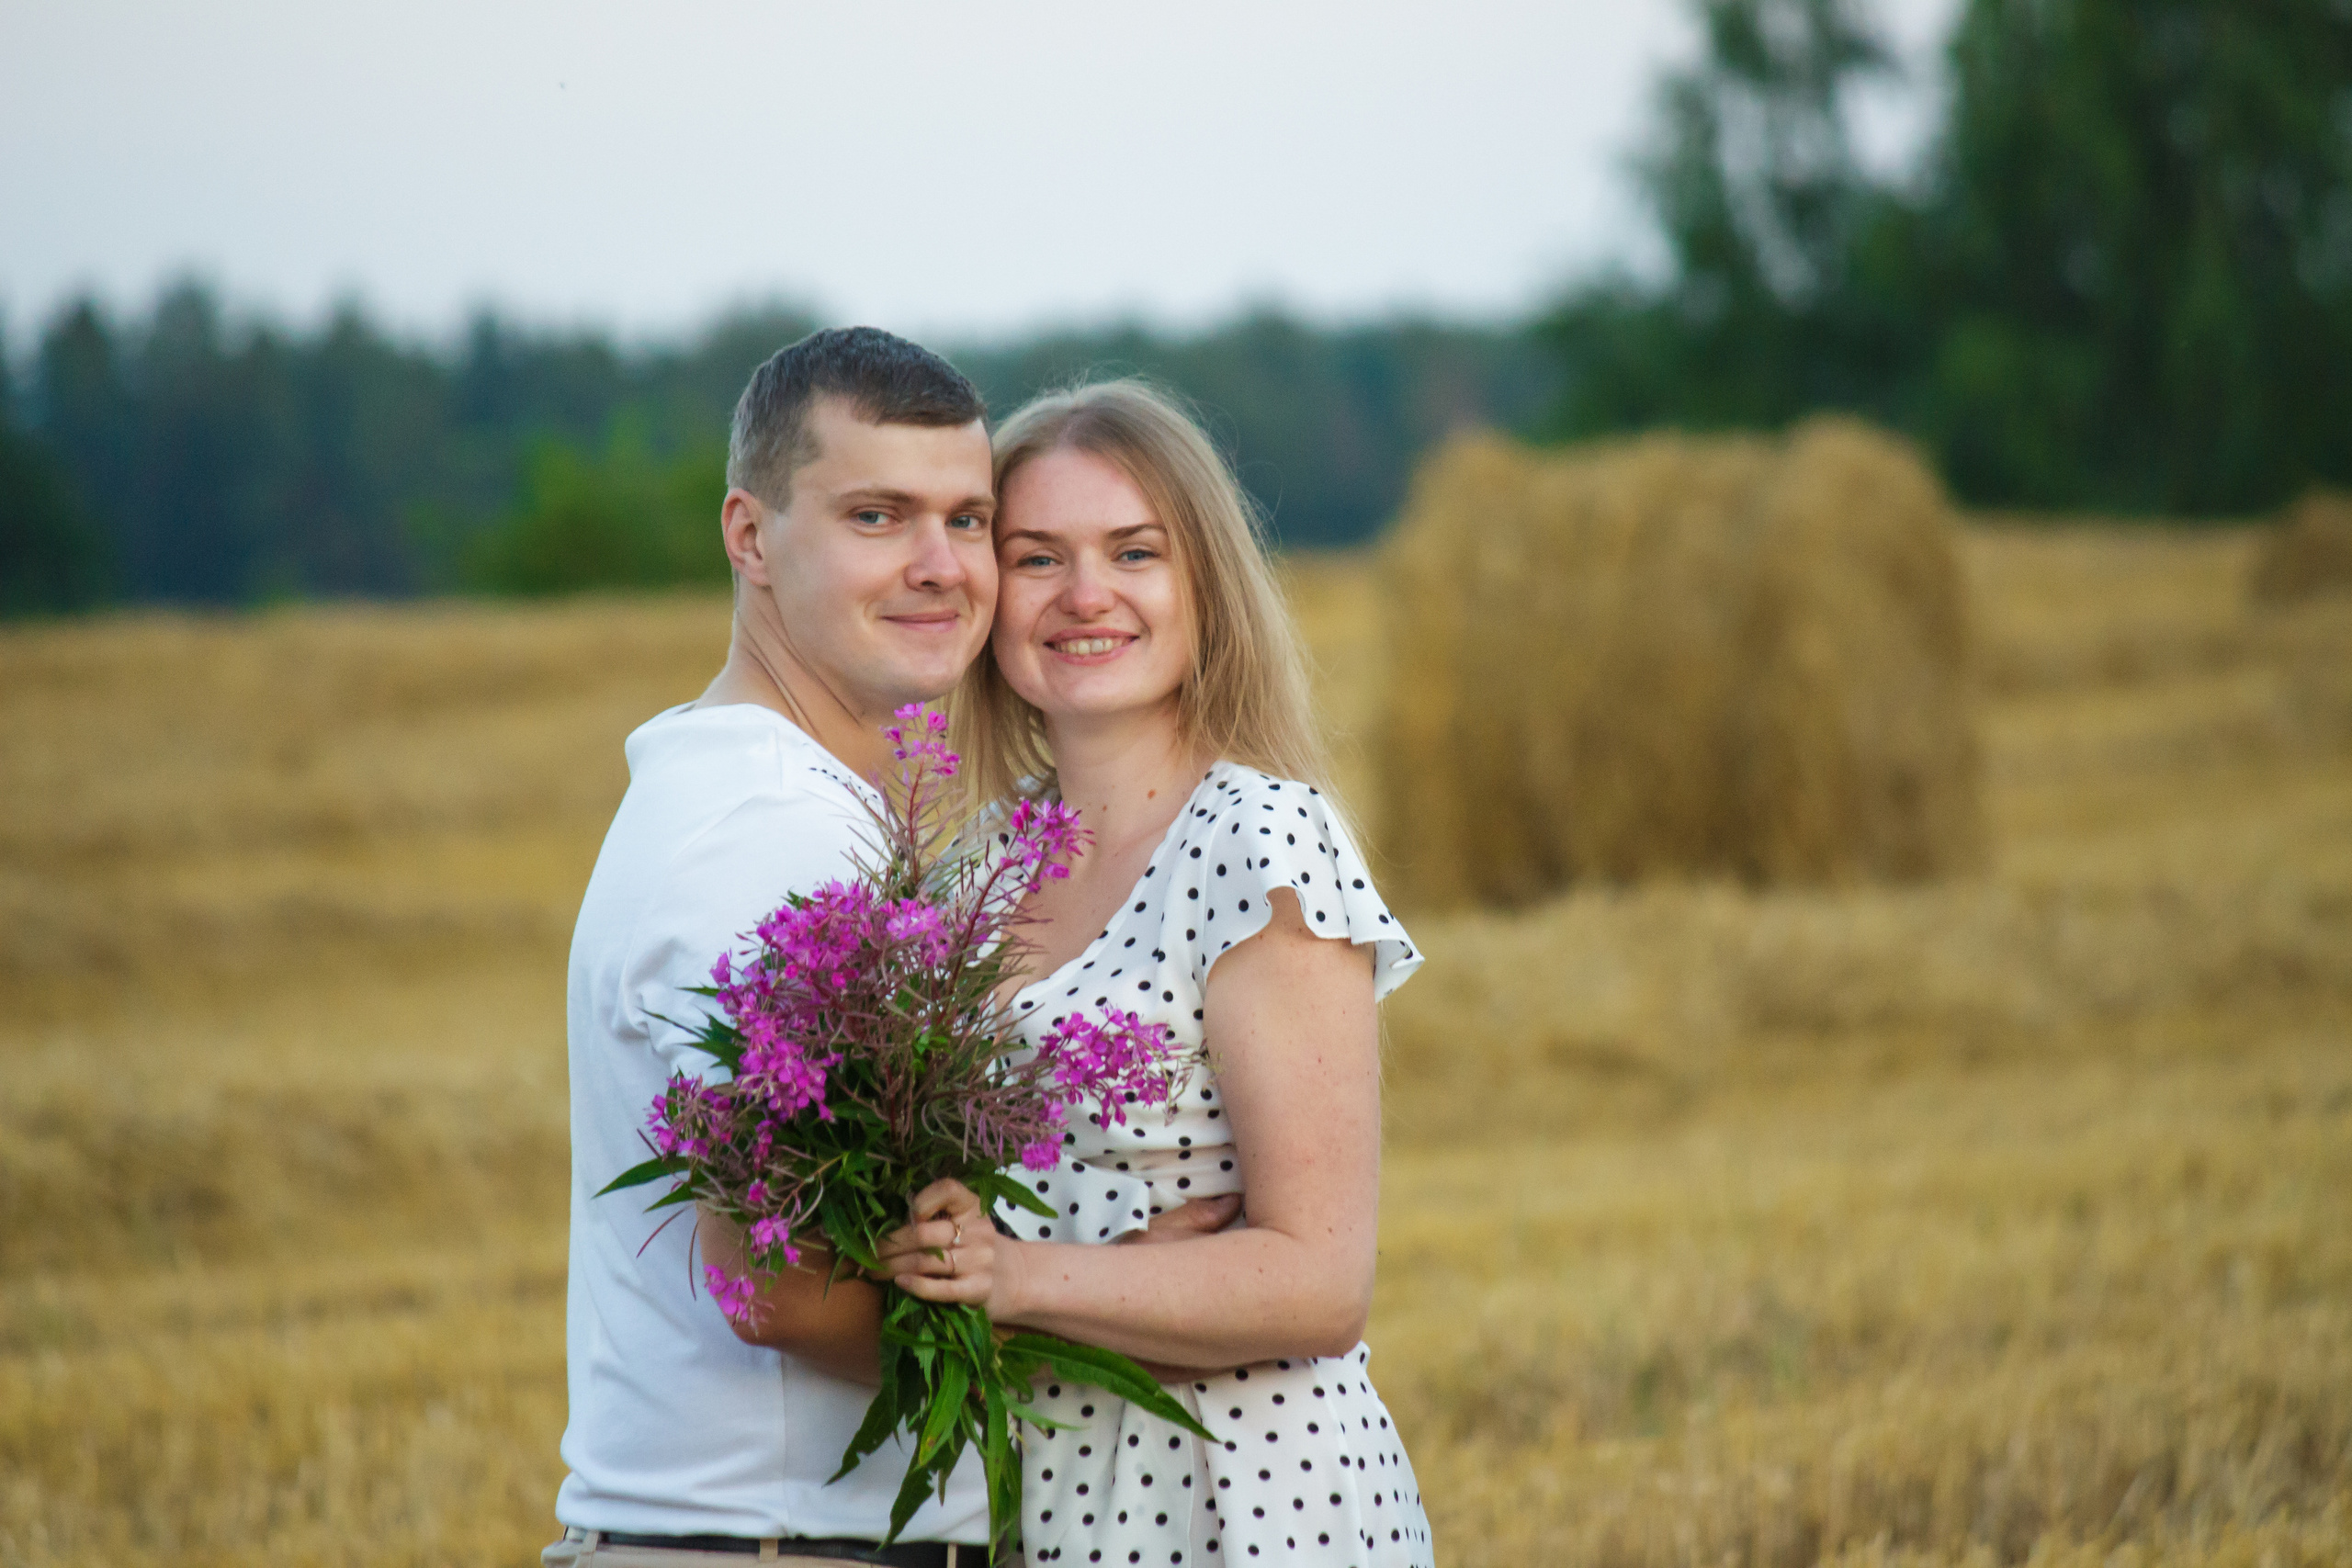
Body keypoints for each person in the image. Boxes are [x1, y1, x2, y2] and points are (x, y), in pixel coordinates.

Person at [552, 331, 1235, 1568]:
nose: (939, 568)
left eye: (969, 521)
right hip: (780, 1541)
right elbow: (776, 1284)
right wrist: (1121, 1305)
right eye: (878, 516)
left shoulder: (766, 795)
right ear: (749, 536)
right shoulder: (774, 834)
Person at [878, 381, 1434, 1567]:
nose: (1087, 596)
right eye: (1037, 558)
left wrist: (1015, 1280)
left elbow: (1318, 1283)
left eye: (1136, 552)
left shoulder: (1260, 844)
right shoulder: (970, 875)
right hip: (1040, 1487)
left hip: (1245, 1491)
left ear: (1205, 587)